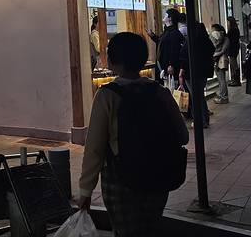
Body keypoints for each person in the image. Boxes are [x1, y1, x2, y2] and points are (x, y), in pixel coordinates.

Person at [78, 32, 189, 236]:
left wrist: (85, 190)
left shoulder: (106, 95)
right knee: (150, 229)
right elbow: (183, 136)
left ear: (112, 60)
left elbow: (94, 149)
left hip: (121, 180)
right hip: (158, 175)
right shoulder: (159, 91)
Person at [179, 21, 214, 127]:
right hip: (203, 73)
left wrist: (181, 71)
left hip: (191, 73)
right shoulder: (206, 40)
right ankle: (204, 119)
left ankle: (200, 120)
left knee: (196, 97)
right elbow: (211, 51)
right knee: (200, 95)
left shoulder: (190, 41)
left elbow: (184, 56)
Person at [154, 9, 185, 88]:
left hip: (169, 68)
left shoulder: (174, 33)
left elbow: (175, 50)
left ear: (170, 18)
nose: (163, 17)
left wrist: (171, 64)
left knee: (170, 88)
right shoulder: (168, 31)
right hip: (164, 66)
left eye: (165, 15)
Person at [210, 24, 230, 104]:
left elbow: (218, 49)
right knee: (221, 79)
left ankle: (224, 97)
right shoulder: (225, 38)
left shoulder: (213, 37)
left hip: (218, 60)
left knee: (221, 80)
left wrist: (214, 55)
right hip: (220, 59)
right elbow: (224, 50)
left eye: (213, 29)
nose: (212, 31)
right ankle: (222, 95)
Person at [227, 17, 242, 87]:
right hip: (234, 49)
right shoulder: (235, 29)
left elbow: (229, 38)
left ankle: (236, 80)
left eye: (228, 22)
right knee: (233, 64)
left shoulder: (233, 30)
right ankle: (235, 80)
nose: (227, 23)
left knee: (233, 65)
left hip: (232, 49)